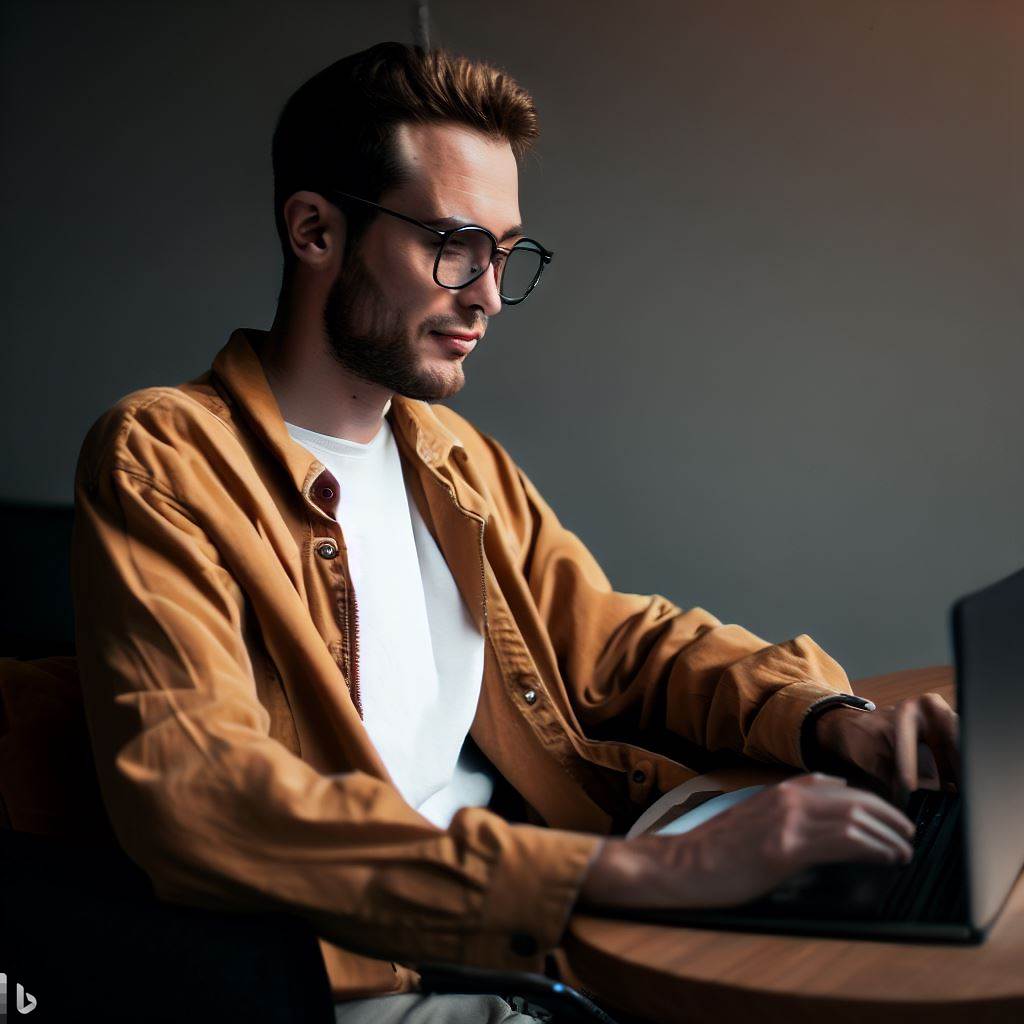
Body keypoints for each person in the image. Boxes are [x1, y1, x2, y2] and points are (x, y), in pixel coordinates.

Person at [69, 42, 961, 1023]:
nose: (489, 295)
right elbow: (199, 792)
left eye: (504, 252)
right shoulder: (163, 456)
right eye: (453, 246)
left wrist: (830, 723)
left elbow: (618, 643)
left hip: (558, 923)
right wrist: (647, 870)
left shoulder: (450, 454)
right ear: (316, 230)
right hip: (371, 975)